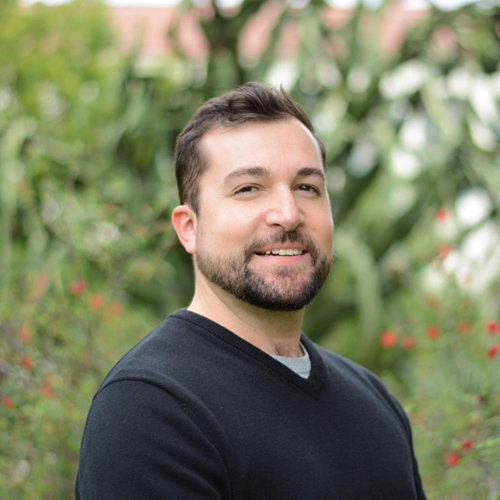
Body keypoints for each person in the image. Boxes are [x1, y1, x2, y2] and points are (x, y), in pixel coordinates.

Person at [76, 82, 427, 499]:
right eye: (248, 188)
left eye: (307, 187)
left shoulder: (373, 402)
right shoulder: (150, 408)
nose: (288, 214)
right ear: (189, 228)